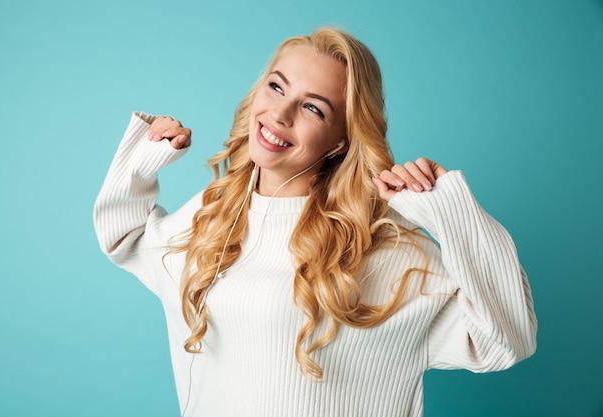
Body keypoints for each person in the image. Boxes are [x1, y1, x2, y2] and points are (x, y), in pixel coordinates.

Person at [93, 27, 536, 417]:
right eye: (276, 87)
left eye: (314, 109)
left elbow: (506, 342)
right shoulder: (214, 214)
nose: (280, 115)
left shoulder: (383, 248)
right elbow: (125, 238)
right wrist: (146, 157)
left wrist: (452, 213)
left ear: (342, 141)